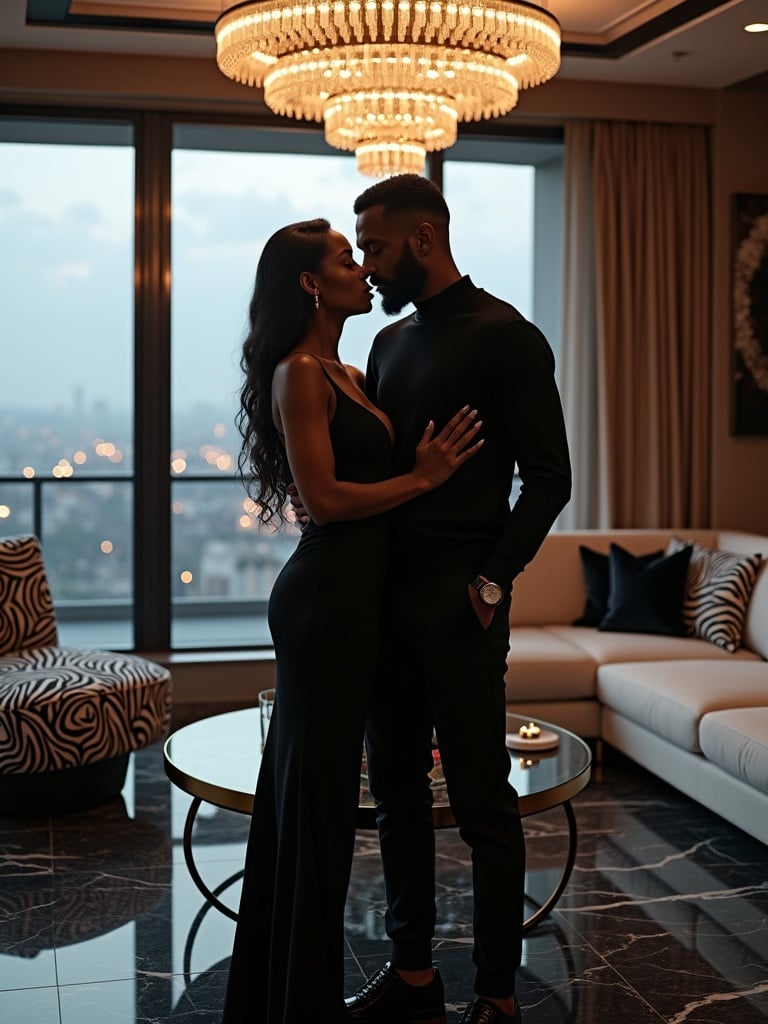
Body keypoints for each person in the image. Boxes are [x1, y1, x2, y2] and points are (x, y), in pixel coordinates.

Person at [220, 217, 483, 1024]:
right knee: (319, 813)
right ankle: (297, 1005)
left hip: (355, 603)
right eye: (346, 259)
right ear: (310, 284)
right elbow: (329, 502)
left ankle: (290, 995)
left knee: (321, 808)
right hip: (325, 606)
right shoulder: (301, 373)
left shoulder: (350, 370)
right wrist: (424, 475)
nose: (364, 270)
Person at [338, 175, 573, 1024]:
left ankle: (499, 996)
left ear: (424, 240)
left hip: (460, 602)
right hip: (382, 602)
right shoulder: (391, 344)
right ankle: (412, 979)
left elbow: (552, 478)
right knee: (396, 797)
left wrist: (490, 580)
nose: (366, 266)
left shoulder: (509, 337)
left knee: (480, 803)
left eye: (375, 247)